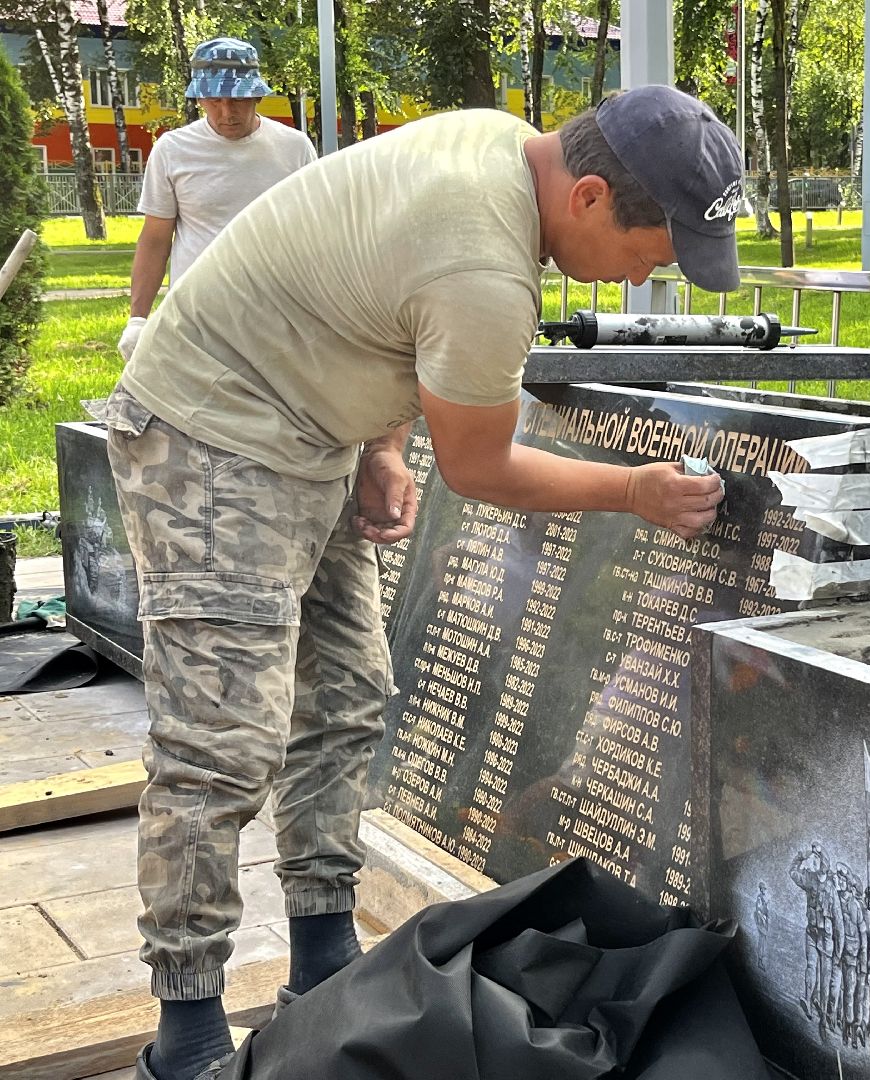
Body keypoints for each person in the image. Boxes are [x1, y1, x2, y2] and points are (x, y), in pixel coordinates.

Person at [100, 85, 741, 1080]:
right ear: (590, 200)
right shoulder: (486, 265)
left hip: (309, 435)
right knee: (221, 743)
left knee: (349, 697)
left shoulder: (498, 150)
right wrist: (633, 490)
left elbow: (376, 303)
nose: (648, 276)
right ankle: (184, 1030)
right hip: (209, 440)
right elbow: (483, 468)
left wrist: (383, 442)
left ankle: (320, 967)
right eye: (652, 251)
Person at [118, 37, 315, 363]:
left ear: (257, 94)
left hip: (276, 317)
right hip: (198, 317)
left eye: (237, 100)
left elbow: (311, 237)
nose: (227, 112)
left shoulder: (294, 149)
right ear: (199, 98)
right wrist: (138, 319)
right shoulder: (173, 150)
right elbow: (155, 239)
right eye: (214, 100)